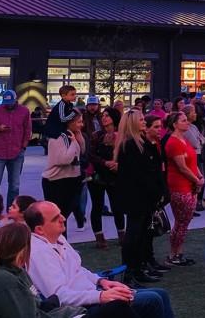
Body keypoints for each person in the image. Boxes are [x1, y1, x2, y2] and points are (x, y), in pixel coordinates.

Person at [26, 200, 175, 318]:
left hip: (93, 292)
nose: (63, 219)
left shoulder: (58, 238)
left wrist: (101, 281)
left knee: (161, 294)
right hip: (80, 308)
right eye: (56, 218)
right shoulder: (38, 253)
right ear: (39, 229)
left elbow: (78, 269)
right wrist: (100, 296)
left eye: (61, 214)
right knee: (152, 299)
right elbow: (59, 296)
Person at [0, 222, 83, 318]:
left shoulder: (17, 271)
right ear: (22, 250)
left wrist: (70, 311)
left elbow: (36, 307)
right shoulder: (3, 281)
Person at [114, 110, 169, 284]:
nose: (144, 122)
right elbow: (139, 174)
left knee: (141, 235)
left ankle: (138, 269)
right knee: (134, 235)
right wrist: (154, 191)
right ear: (132, 123)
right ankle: (130, 272)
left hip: (144, 197)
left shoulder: (141, 143)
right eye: (141, 120)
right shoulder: (130, 145)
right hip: (136, 198)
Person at [0, 89, 33, 217]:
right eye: (6, 103)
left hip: (16, 152)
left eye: (11, 102)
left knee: (14, 185)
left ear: (16, 100)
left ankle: (12, 212)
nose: (8, 105)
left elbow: (27, 129)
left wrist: (23, 146)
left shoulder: (24, 111)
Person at [163, 110, 204, 266]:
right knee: (181, 222)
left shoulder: (184, 139)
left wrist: (199, 176)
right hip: (180, 186)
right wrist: (197, 180)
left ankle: (178, 253)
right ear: (175, 124)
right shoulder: (173, 142)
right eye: (183, 120)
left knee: (183, 222)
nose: (187, 122)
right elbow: (182, 167)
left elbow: (192, 162)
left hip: (190, 184)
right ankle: (173, 254)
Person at [42, 108, 85, 236]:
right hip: (56, 181)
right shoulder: (59, 137)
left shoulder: (72, 135)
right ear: (69, 122)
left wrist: (78, 139)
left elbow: (82, 152)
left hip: (71, 179)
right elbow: (64, 159)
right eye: (79, 122)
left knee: (62, 218)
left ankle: (63, 245)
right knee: (58, 219)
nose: (81, 125)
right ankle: (59, 245)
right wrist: (74, 143)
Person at [89, 109, 125, 249]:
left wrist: (118, 164)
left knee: (117, 206)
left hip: (115, 175)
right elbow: (91, 155)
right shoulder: (97, 135)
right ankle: (99, 237)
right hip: (98, 175)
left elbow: (126, 153)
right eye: (103, 115)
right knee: (97, 206)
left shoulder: (122, 135)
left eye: (107, 116)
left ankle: (122, 235)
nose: (104, 118)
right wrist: (105, 163)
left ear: (114, 118)